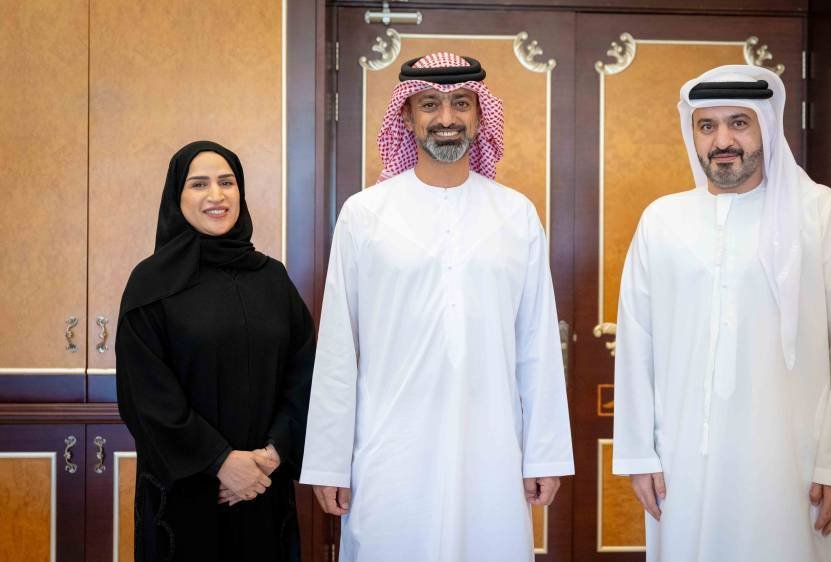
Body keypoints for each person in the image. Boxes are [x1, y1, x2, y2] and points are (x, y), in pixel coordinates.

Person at [300, 52, 574, 562]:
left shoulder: (515, 214)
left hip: (492, 449)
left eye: (461, 103)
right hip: (390, 449)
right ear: (406, 117)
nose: (446, 118)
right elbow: (338, 347)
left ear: (480, 116)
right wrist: (329, 461)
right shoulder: (364, 215)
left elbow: (536, 344)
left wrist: (545, 454)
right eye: (430, 104)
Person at [612, 65, 831, 561]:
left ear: (766, 127)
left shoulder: (820, 213)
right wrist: (638, 452)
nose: (722, 141)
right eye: (707, 126)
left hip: (794, 466)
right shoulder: (662, 221)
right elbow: (635, 343)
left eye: (739, 123)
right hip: (683, 461)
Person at [116, 140, 315, 562]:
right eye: (199, 184)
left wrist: (272, 454)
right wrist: (220, 462)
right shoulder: (150, 284)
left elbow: (305, 374)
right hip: (185, 494)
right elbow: (146, 395)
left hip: (264, 485)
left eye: (227, 182)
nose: (216, 195)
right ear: (177, 196)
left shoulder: (272, 279)